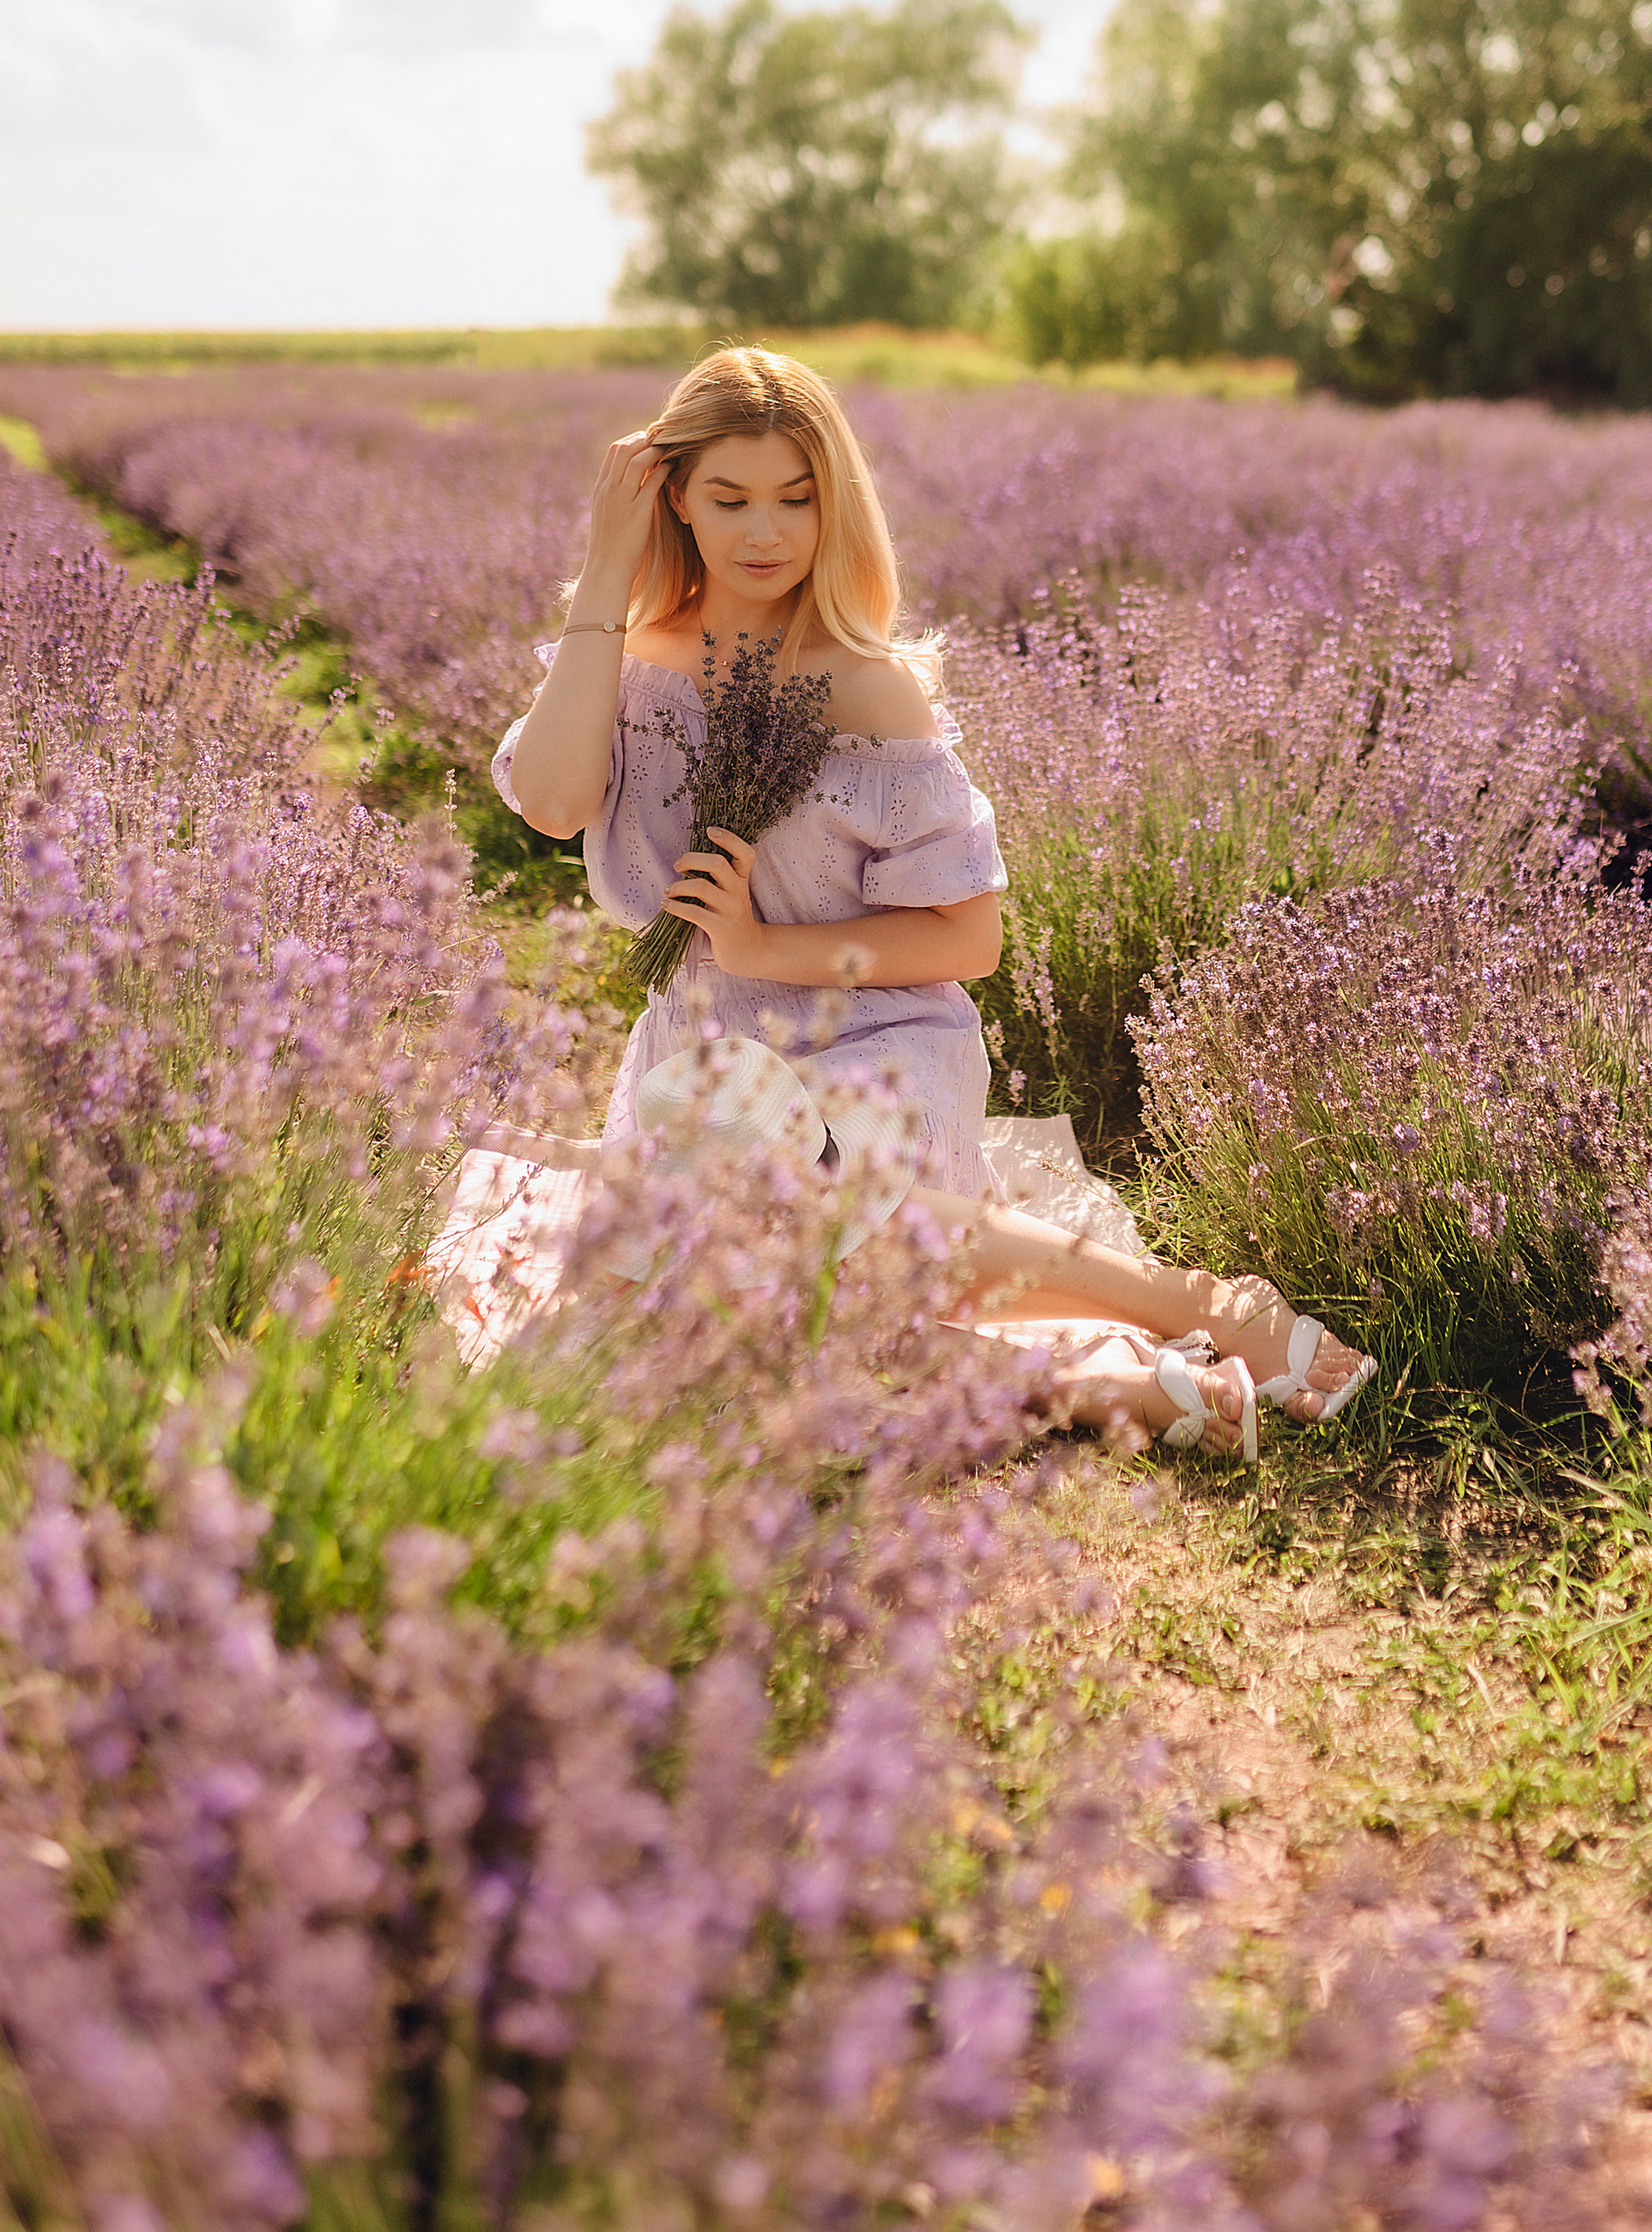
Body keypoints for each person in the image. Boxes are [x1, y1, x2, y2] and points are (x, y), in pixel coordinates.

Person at [495, 344, 1367, 1459]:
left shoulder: (865, 681)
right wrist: (606, 576)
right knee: (688, 1324)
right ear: (676, 497)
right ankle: (1103, 1386)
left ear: (833, 502)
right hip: (705, 1055)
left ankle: (1195, 1305)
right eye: (730, 497)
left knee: (824, 1257)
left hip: (876, 1040)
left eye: (796, 499)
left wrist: (765, 940)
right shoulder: (630, 654)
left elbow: (970, 935)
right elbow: (557, 799)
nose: (766, 531)